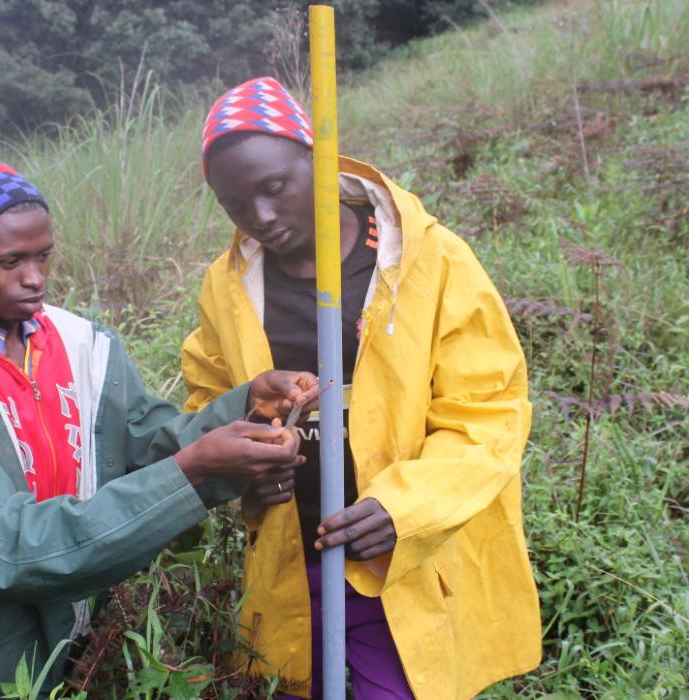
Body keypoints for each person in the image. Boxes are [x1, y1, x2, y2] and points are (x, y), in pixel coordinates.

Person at [0, 147, 318, 699]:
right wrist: (191, 473)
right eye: (11, 262)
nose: (34, 279)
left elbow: (148, 441)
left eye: (44, 256)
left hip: (83, 645)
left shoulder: (79, 345)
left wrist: (247, 408)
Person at [181, 77, 542, 699]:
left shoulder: (427, 261)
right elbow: (207, 398)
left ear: (319, 160)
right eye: (237, 205)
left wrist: (405, 510)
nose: (261, 218)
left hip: (403, 557)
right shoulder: (230, 286)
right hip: (293, 551)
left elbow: (487, 411)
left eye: (274, 188)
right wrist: (246, 466)